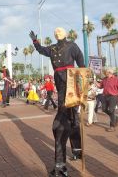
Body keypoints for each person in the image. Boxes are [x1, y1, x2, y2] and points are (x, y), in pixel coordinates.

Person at [30, 27, 85, 177]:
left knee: (66, 121)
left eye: (60, 31)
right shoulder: (53, 48)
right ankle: (75, 151)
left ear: (66, 34)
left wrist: (84, 84)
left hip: (71, 82)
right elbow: (41, 50)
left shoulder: (72, 46)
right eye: (56, 31)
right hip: (60, 82)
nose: (57, 32)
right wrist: (35, 41)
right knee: (70, 118)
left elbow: (81, 64)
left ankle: (72, 155)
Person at [99, 68, 118, 132]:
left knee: (111, 110)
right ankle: (116, 118)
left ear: (110, 72)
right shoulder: (104, 79)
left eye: (106, 72)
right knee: (104, 109)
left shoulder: (116, 79)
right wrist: (94, 82)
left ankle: (112, 126)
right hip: (105, 96)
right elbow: (100, 86)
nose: (104, 73)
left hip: (113, 96)